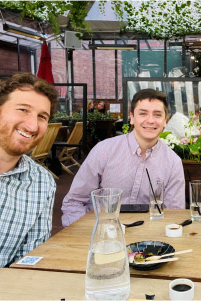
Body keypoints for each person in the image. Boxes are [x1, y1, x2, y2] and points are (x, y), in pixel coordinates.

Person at [0, 73, 58, 290]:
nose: (33, 126)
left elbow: (28, 262)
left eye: (42, 117)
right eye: (23, 110)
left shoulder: (42, 184)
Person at [61, 88, 185, 227]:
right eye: (143, 113)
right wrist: (94, 233)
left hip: (148, 239)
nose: (150, 120)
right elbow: (74, 202)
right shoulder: (104, 151)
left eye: (157, 115)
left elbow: (174, 215)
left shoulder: (173, 162)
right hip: (100, 236)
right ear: (131, 118)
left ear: (165, 121)